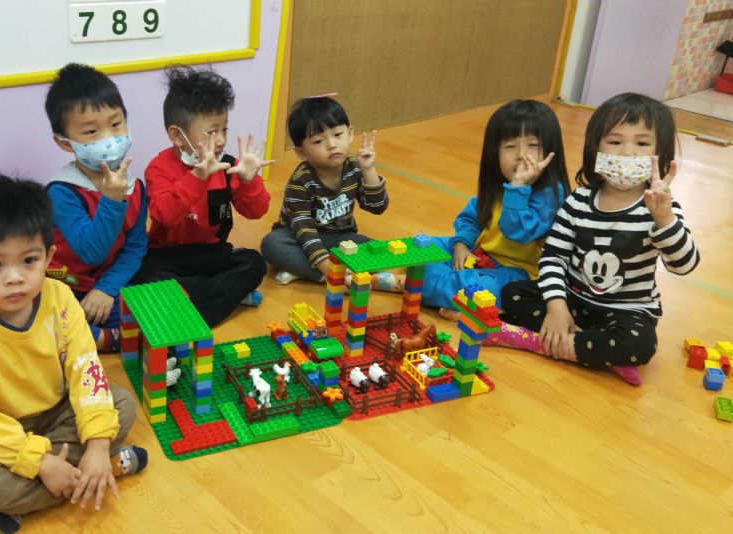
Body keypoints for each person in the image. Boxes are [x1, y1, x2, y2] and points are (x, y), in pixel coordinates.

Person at [0, 177, 147, 532]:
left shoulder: (60, 298)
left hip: (51, 412)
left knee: (121, 403)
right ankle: (106, 470)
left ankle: (73, 474)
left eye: (29, 260)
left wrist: (95, 446)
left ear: (49, 256)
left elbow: (86, 370)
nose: (15, 277)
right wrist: (41, 462)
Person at [492, 93, 699, 386]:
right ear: (595, 147)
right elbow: (553, 257)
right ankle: (589, 348)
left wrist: (665, 220)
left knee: (640, 344)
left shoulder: (661, 208)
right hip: (573, 300)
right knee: (514, 292)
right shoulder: (579, 201)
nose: (627, 153)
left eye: (642, 144)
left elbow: (684, 265)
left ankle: (543, 342)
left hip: (626, 312)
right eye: (615, 141)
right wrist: (557, 307)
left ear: (661, 152)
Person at [135, 65, 272, 327]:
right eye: (211, 131)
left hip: (211, 254)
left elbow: (256, 211)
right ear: (177, 135)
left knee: (254, 263)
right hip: (167, 256)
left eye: (224, 129)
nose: (220, 140)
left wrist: (249, 180)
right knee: (143, 275)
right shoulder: (159, 168)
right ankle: (221, 296)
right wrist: (197, 178)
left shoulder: (228, 165)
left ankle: (186, 305)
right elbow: (164, 214)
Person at [421, 100, 570, 320]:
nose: (521, 155)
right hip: (481, 253)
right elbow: (472, 218)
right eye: (510, 146)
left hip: (519, 273)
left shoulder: (551, 195)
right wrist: (462, 244)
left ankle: (436, 289)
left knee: (461, 285)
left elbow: (518, 231)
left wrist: (518, 188)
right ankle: (453, 296)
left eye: (533, 145)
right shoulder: (499, 184)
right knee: (420, 247)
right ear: (494, 153)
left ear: (551, 151)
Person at [44, 63, 147, 353]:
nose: (108, 139)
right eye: (91, 131)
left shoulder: (135, 187)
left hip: (106, 284)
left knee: (160, 301)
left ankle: (94, 335)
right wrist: (112, 201)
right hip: (62, 284)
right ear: (65, 143)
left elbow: (135, 248)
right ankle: (102, 338)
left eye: (116, 125)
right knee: (36, 317)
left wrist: (106, 289)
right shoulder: (61, 192)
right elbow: (91, 251)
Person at [260, 96, 397, 289]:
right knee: (272, 244)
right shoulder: (301, 180)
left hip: (339, 237)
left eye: (338, 134)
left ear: (350, 133)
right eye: (318, 141)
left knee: (381, 252)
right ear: (301, 152)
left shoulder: (355, 168)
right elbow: (303, 229)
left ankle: (303, 270)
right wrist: (327, 268)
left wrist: (368, 170)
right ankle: (327, 275)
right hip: (298, 237)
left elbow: (377, 207)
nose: (332, 144)